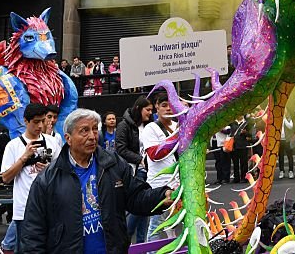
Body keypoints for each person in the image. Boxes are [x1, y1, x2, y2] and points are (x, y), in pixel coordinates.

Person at [22, 108, 172, 253]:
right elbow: (32, 232)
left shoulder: (113, 164)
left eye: (94, 129)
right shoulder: (48, 179)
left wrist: (162, 196)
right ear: (68, 138)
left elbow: (135, 197)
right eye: (84, 131)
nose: (92, 136)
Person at [0, 103, 61, 249]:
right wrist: (24, 158)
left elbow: (63, 171)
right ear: (26, 121)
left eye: (43, 120)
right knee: (27, 249)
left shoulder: (52, 141)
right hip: (24, 210)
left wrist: (49, 169)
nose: (40, 125)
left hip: (50, 207)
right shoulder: (14, 145)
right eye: (35, 121)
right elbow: (6, 178)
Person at [140, 91, 179, 241]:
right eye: (164, 105)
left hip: (179, 183)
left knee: (177, 223)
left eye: (171, 105)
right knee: (156, 225)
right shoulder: (151, 128)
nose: (168, 109)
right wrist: (178, 136)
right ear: (157, 107)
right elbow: (154, 154)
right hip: (159, 186)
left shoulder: (178, 125)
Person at [116, 96, 153, 244]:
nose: (150, 113)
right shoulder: (124, 125)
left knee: (145, 209)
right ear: (138, 108)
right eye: (148, 110)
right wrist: (140, 159)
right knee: (139, 208)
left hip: (148, 171)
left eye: (152, 110)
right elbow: (120, 148)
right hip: (133, 171)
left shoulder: (150, 126)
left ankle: (141, 244)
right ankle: (125, 239)